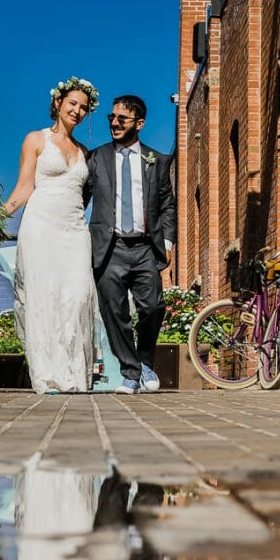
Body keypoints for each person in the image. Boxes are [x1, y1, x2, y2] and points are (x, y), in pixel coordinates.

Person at [4, 77, 100, 394]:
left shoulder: (84, 151)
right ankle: (47, 374)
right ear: (58, 103)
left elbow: (85, 194)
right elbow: (24, 187)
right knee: (44, 296)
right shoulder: (36, 140)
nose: (78, 110)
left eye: (84, 107)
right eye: (72, 103)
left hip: (74, 229)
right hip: (40, 225)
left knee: (78, 296)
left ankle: (73, 373)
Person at [86, 95, 176, 394]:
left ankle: (145, 361)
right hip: (109, 248)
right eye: (111, 117)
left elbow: (167, 204)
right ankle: (130, 371)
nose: (114, 123)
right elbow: (78, 199)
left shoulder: (157, 161)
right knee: (115, 311)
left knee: (153, 307)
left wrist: (167, 240)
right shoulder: (95, 158)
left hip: (144, 248)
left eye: (121, 119)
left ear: (139, 123)